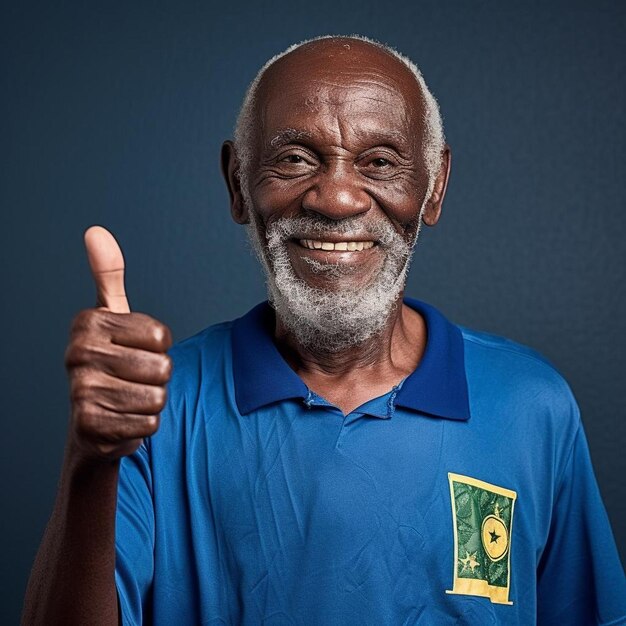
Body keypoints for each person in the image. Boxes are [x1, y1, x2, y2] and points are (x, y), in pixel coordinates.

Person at [22, 35, 626, 626]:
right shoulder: (154, 407)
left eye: (381, 162)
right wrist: (91, 458)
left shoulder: (531, 406)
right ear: (237, 183)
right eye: (294, 158)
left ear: (434, 187)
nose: (336, 198)